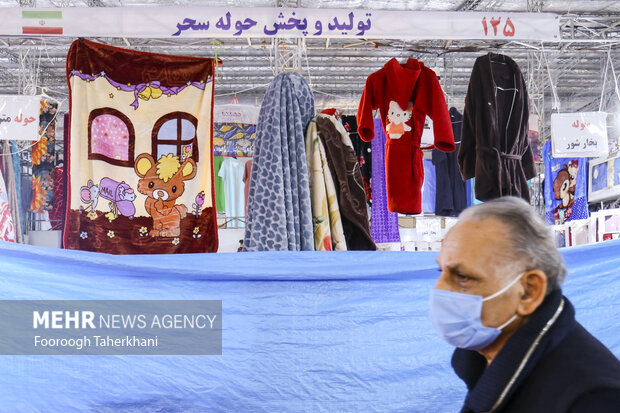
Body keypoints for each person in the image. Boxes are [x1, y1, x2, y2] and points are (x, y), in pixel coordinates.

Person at [430, 196, 620, 412]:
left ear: (529, 292)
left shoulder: (594, 400)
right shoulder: (486, 354)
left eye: (463, 276)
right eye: (441, 271)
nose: (440, 289)